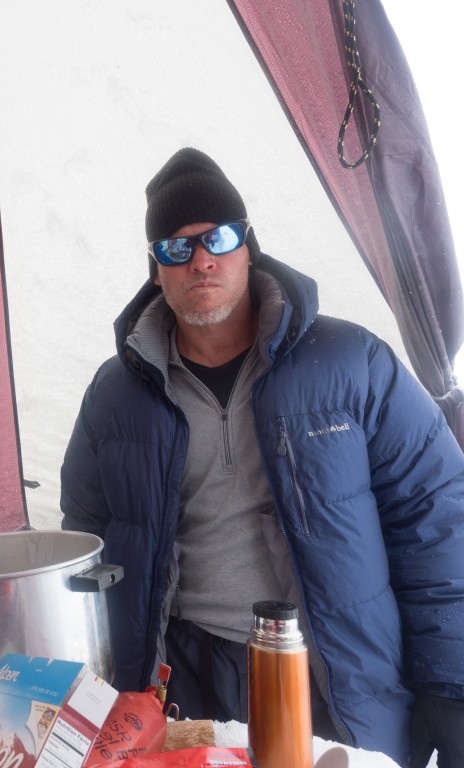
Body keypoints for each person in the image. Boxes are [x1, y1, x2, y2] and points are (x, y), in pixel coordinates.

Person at [60, 148, 464, 767]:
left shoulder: (352, 363)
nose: (200, 259)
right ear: (155, 270)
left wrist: (450, 682)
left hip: (332, 676)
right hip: (182, 677)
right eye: (175, 248)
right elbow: (84, 542)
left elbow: (436, 520)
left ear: (248, 245)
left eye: (217, 237)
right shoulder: (116, 395)